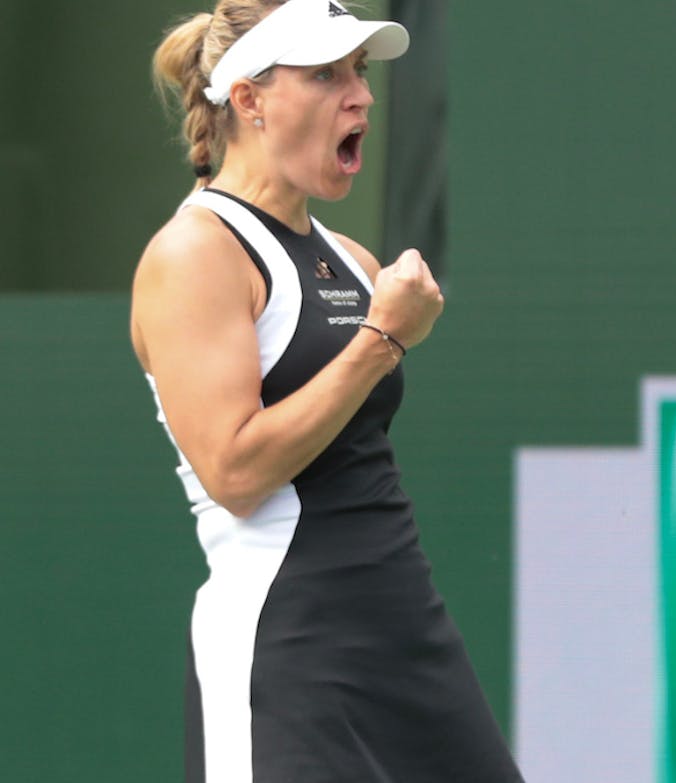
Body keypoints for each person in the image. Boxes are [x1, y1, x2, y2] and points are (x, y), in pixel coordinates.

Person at [132, 2, 525, 781]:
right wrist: (382, 340)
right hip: (287, 651)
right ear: (249, 99)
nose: (361, 96)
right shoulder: (195, 252)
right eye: (325, 75)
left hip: (407, 633)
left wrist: (382, 332)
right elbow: (235, 472)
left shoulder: (352, 260)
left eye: (360, 71)